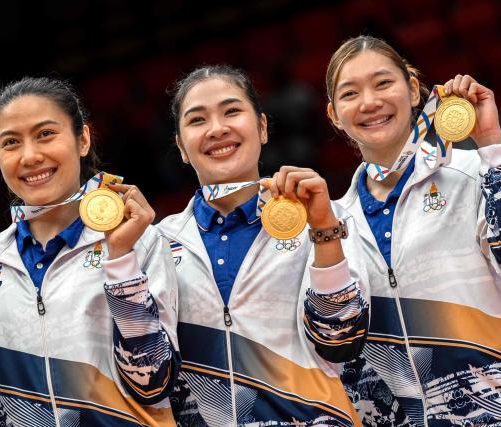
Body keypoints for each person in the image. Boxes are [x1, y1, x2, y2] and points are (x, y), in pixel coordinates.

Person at [324, 35, 501, 426]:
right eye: (350, 93)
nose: (369, 102)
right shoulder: (331, 227)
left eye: (383, 83)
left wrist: (490, 143)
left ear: (414, 89)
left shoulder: (469, 172)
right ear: (334, 114)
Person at [0, 77, 180, 426]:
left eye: (46, 134)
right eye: (11, 142)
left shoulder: (141, 242)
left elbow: (154, 384)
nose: (30, 156)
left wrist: (121, 260)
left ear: (83, 139)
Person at [158, 65, 370, 426]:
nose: (217, 129)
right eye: (197, 120)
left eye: (231, 111)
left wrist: (322, 230)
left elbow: (342, 342)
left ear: (262, 127)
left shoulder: (325, 219)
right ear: (180, 147)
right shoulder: (159, 243)